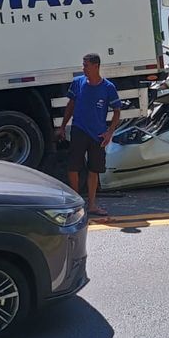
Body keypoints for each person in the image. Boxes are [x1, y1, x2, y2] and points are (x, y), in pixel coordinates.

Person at [61, 52, 121, 216]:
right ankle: (76, 202)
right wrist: (62, 126)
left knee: (94, 169)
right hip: (79, 129)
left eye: (86, 65)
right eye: (83, 65)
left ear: (96, 66)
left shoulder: (108, 87)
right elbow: (70, 105)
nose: (83, 68)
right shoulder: (77, 83)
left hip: (98, 134)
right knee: (73, 167)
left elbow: (117, 111)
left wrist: (109, 133)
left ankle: (92, 204)